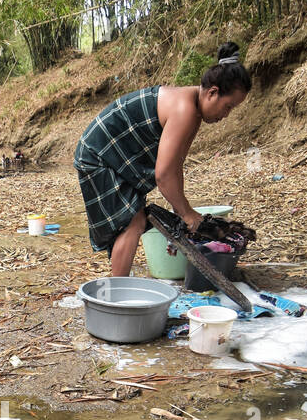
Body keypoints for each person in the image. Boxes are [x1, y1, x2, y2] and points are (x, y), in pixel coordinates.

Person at [74, 42, 252, 276]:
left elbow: (175, 166)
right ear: (212, 92)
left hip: (116, 155)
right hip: (99, 153)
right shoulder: (184, 109)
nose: (226, 115)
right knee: (132, 222)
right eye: (227, 107)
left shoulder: (193, 110)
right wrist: (187, 214)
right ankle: (117, 299)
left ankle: (118, 294)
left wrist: (182, 212)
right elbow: (164, 175)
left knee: (134, 220)